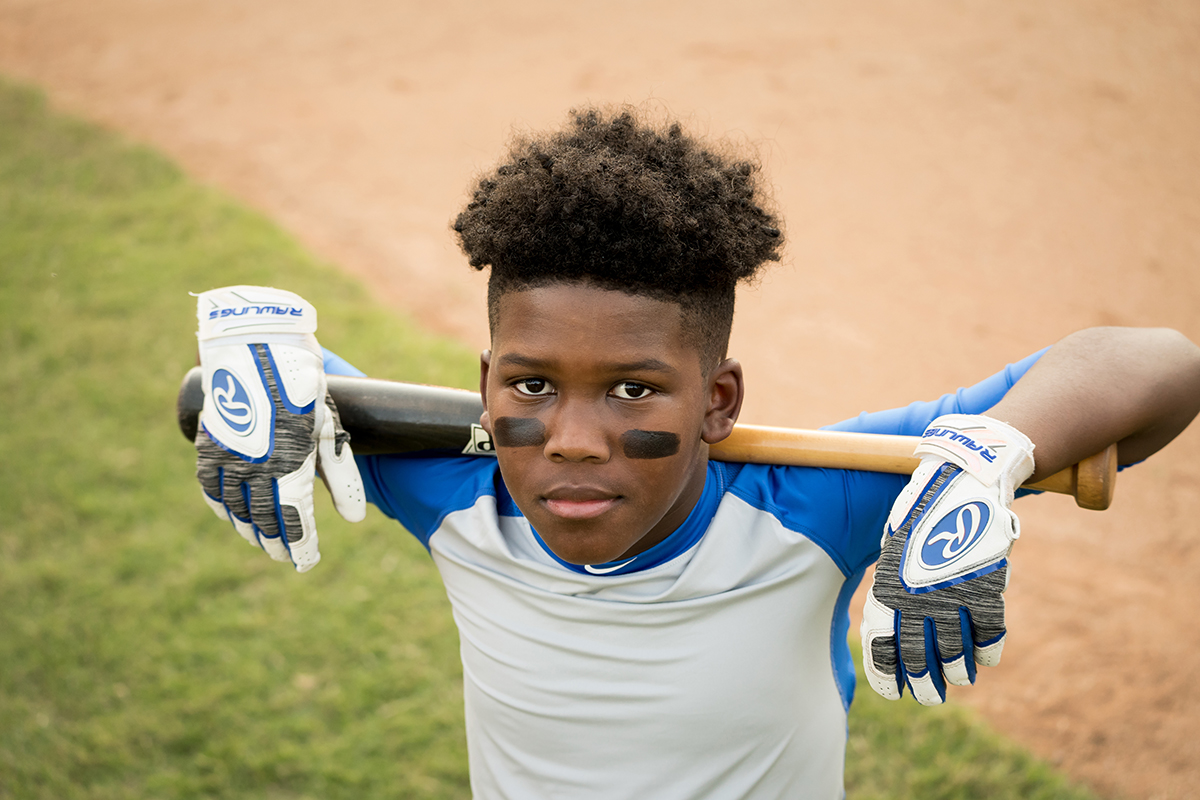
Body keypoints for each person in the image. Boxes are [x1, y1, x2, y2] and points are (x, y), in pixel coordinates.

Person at [191, 106, 1200, 799]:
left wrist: (988, 455)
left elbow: (1156, 368)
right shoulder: (460, 484)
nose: (573, 442)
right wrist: (258, 338)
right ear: (488, 379)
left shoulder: (820, 502)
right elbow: (241, 397)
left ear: (718, 400)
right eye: (532, 385)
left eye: (634, 388)